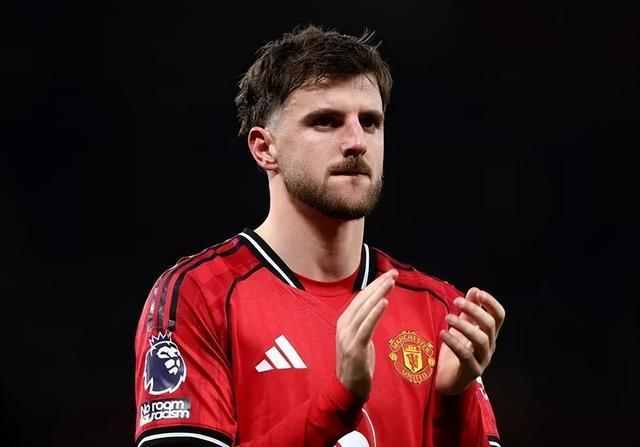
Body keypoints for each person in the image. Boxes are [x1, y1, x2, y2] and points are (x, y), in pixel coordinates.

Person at [134, 24, 505, 447]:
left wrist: (455, 401)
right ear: (265, 148)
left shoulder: (439, 311)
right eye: (326, 121)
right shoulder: (200, 296)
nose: (356, 142)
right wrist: (339, 401)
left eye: (370, 122)